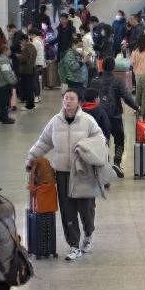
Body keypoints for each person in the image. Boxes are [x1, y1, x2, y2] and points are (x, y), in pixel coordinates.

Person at [26, 89, 106, 261]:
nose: (68, 101)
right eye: (66, 98)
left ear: (79, 102)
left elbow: (101, 139)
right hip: (62, 173)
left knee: (86, 209)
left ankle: (88, 233)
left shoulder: (88, 121)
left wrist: (85, 147)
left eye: (72, 98)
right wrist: (31, 157)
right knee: (67, 211)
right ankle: (74, 245)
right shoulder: (55, 121)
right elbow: (44, 141)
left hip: (83, 172)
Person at [90, 57, 140, 177]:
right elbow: (126, 97)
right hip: (115, 115)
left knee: (103, 140)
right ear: (113, 68)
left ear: (102, 66)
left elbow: (89, 97)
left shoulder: (95, 81)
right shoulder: (118, 81)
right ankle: (117, 163)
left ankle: (104, 164)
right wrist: (137, 107)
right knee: (119, 139)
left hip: (100, 115)